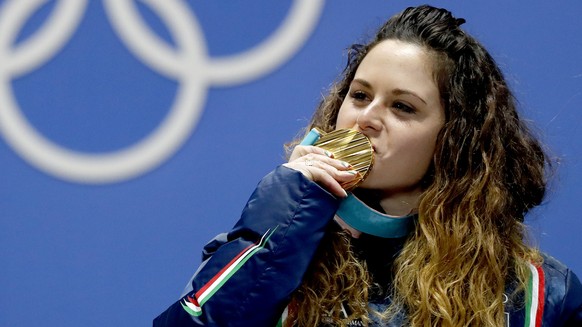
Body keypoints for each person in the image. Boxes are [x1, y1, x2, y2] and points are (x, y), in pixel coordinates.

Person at [154, 5, 582, 326]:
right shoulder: (263, 255)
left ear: (454, 142)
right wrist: (283, 215)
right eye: (359, 96)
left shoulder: (537, 295)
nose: (367, 118)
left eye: (402, 106)